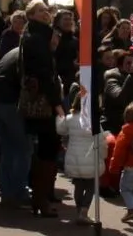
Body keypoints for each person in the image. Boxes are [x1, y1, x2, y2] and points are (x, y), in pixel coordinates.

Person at [20, 0, 65, 218]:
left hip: (42, 96)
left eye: (46, 10)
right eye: (39, 11)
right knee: (47, 148)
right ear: (30, 15)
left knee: (45, 149)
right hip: (42, 99)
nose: (45, 14)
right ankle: (41, 199)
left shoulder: (40, 35)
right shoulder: (36, 38)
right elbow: (44, 73)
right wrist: (57, 103)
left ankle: (42, 197)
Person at [56, 86, 109, 226]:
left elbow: (61, 129)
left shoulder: (70, 118)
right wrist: (104, 155)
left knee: (78, 185)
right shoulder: (93, 120)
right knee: (91, 186)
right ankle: (84, 211)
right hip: (91, 156)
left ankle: (79, 210)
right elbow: (101, 141)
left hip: (74, 157)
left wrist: (60, 115)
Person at [0, 44, 32, 207]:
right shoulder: (29, 53)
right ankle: (19, 192)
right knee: (23, 148)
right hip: (10, 103)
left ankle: (7, 193)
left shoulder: (14, 52)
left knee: (8, 148)